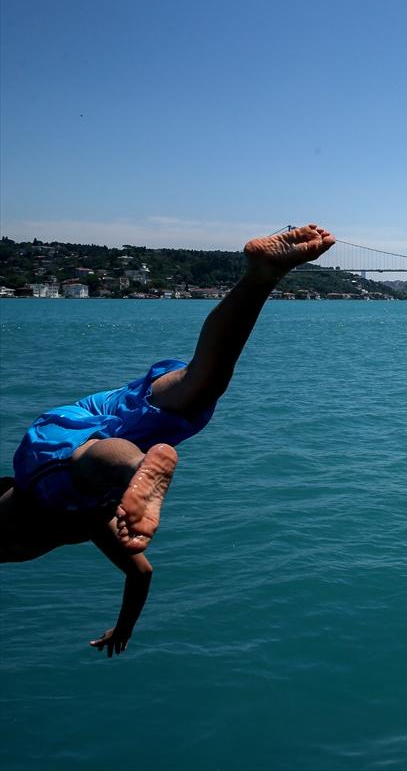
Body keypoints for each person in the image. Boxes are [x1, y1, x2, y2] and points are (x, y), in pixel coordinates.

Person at [0, 224, 336, 655]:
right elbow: (140, 574)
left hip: (53, 458)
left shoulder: (54, 500)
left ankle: (139, 466)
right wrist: (124, 627)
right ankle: (261, 274)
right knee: (202, 383)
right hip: (97, 417)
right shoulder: (100, 521)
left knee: (86, 465)